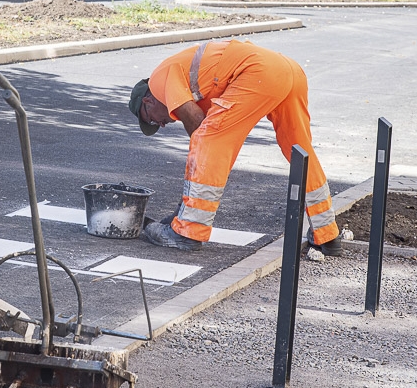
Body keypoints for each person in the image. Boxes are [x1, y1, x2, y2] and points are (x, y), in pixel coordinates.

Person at [127, 40, 340, 255]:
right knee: (300, 150)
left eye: (152, 121)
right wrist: (182, 210)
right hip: (289, 70)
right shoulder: (180, 75)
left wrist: (184, 214)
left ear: (148, 102)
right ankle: (327, 234)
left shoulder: (159, 80)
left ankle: (187, 232)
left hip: (259, 72)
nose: (161, 124)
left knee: (208, 140)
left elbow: (199, 126)